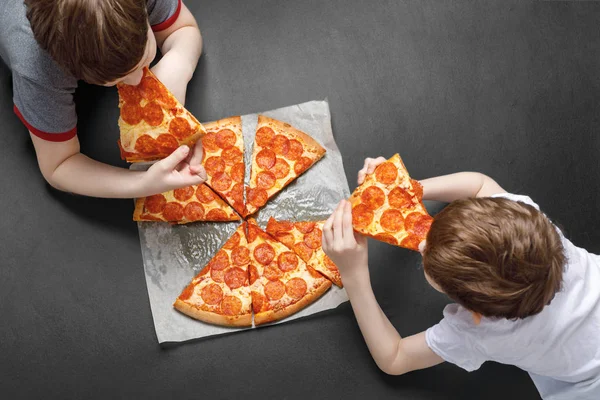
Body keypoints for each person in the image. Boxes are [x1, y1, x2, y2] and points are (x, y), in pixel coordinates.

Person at [323, 156, 600, 399]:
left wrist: (353, 273)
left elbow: (394, 358)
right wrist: (405, 191)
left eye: (427, 260)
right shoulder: (528, 229)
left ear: (473, 310)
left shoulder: (478, 331)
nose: (421, 245)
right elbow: (479, 185)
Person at [0, 0, 207, 198]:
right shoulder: (37, 68)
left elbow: (183, 28)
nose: (137, 81)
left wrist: (178, 63)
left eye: (144, 56)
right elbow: (58, 166)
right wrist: (143, 184)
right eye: (118, 79)